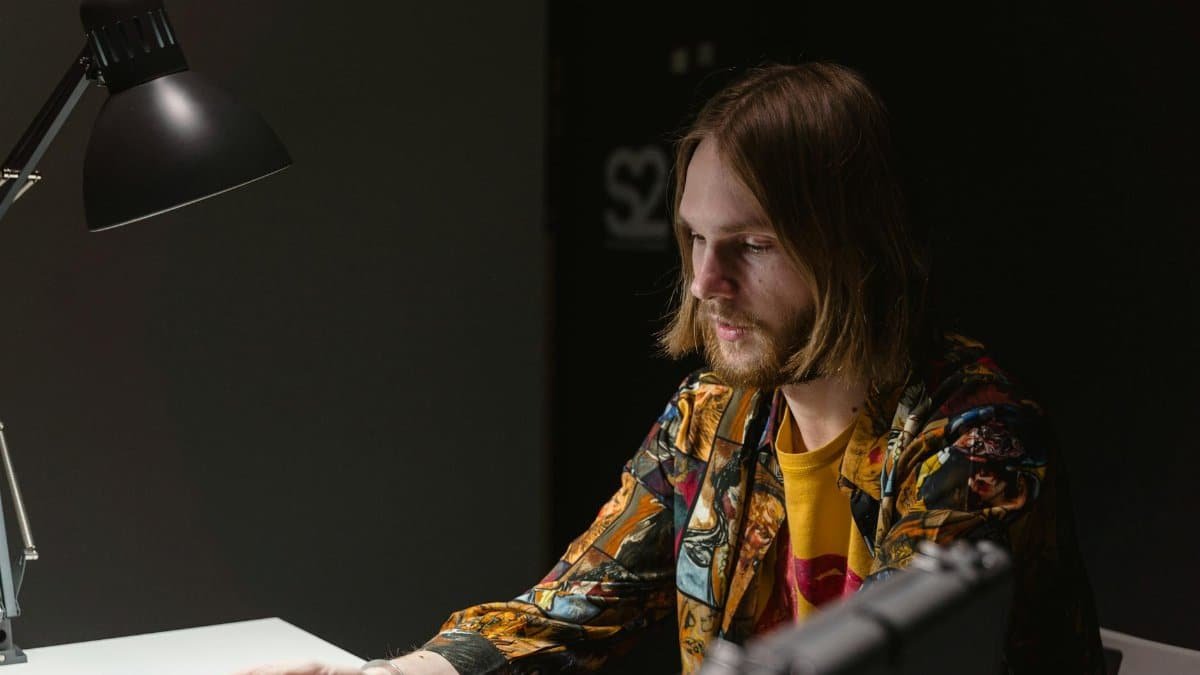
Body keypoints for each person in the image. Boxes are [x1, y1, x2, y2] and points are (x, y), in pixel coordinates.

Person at [239, 62, 1103, 675]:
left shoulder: (974, 447)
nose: (704, 282)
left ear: (855, 250)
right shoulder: (713, 417)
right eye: (695, 238)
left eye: (753, 244)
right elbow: (570, 613)